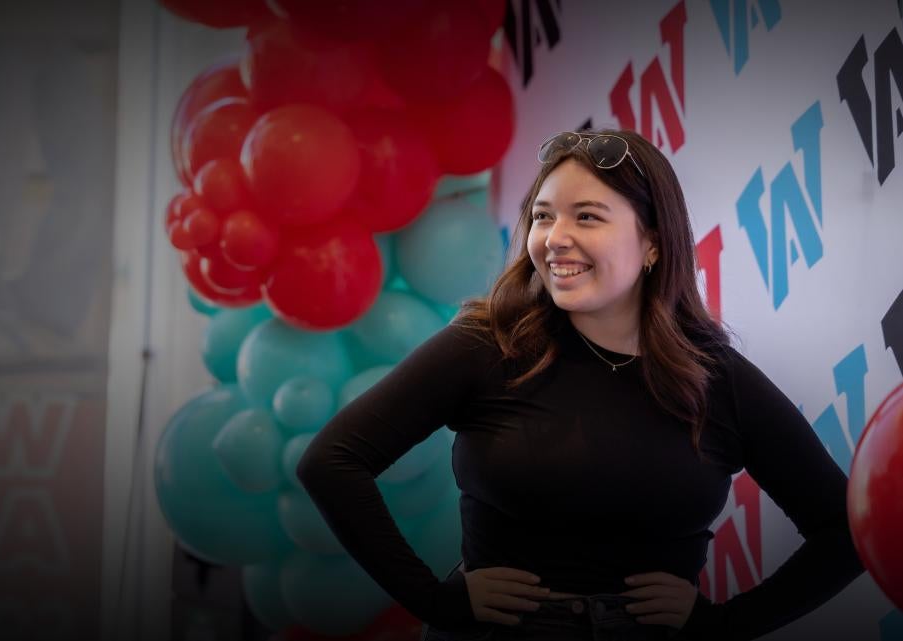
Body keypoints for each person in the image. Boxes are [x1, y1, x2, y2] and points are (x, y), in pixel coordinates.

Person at [296, 129, 863, 641]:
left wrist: (723, 624)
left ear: (653, 242)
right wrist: (435, 602)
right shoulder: (488, 345)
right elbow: (332, 461)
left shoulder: (715, 377)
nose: (554, 239)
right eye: (543, 217)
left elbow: (845, 529)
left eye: (587, 217)